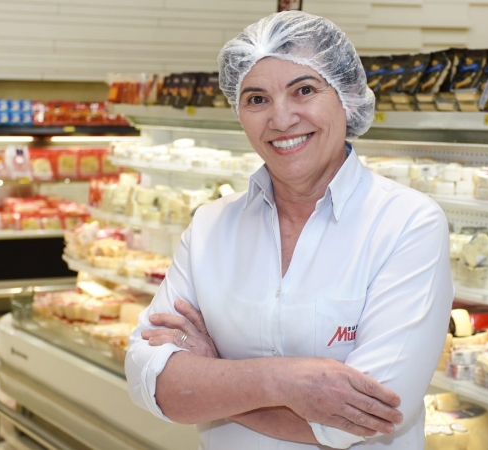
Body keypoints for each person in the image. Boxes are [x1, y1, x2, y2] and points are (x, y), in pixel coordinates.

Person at [126, 10, 453, 449]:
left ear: (346, 96)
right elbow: (149, 379)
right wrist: (282, 383)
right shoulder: (211, 226)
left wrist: (214, 376)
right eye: (256, 99)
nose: (280, 120)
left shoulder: (407, 224)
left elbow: (370, 415)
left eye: (304, 90)